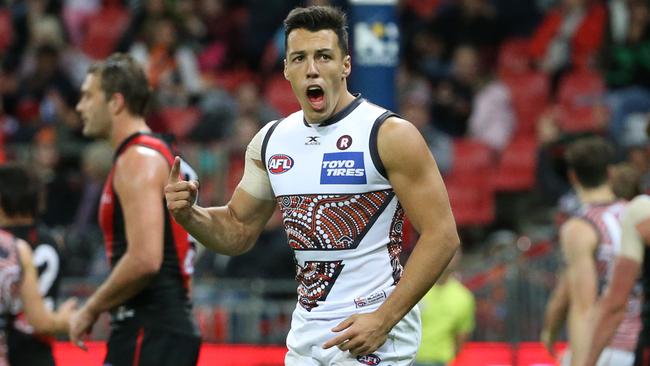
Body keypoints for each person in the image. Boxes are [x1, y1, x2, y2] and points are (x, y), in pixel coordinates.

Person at [165, 6, 459, 365]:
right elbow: (238, 229)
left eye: (324, 56)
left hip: (374, 334)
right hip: (307, 335)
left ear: (346, 65)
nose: (312, 69)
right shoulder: (270, 140)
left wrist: (384, 319)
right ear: (286, 69)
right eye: (300, 58)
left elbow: (442, 235)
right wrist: (190, 216)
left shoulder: (389, 134)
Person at [70, 53, 201, 366]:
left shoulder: (137, 160)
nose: (80, 107)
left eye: (88, 96)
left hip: (149, 328)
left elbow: (144, 259)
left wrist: (90, 309)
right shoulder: (156, 153)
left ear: (115, 102)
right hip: (159, 327)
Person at [540, 136, 640, 366]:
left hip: (606, 348)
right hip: (640, 344)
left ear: (572, 176)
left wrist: (576, 357)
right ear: (610, 172)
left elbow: (583, 307)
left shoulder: (580, 228)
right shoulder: (637, 215)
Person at [0, 164, 62, 366]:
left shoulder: (8, 246)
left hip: (11, 346)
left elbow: (35, 318)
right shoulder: (50, 240)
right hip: (39, 351)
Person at [414, 250, 475, 366]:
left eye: (454, 252)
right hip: (411, 360)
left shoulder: (464, 297)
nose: (449, 256)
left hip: (442, 362)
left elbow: (461, 336)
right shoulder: (415, 288)